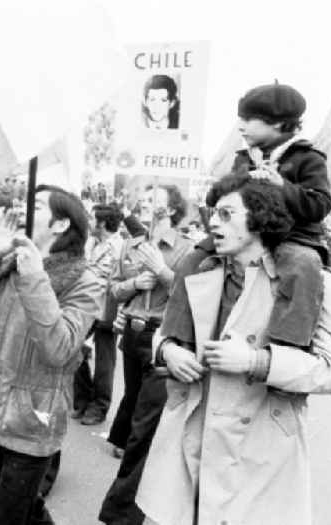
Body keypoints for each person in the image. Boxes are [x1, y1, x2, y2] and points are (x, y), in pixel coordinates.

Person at [137, 173, 331, 525]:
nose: (213, 221)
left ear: (259, 218)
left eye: (226, 214)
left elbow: (329, 369)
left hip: (262, 447)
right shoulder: (200, 269)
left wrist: (257, 361)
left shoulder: (314, 280)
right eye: (213, 212)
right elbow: (163, 332)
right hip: (193, 434)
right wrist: (169, 351)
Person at [0, 185, 103, 525]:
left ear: (61, 225)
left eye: (34, 207)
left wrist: (35, 275)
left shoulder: (85, 280)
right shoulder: (8, 265)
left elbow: (60, 348)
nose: (21, 212)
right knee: (26, 511)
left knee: (6, 517)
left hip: (33, 421)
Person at [99, 185, 193, 524]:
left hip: (162, 339)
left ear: (171, 208)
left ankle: (123, 509)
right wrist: (134, 285)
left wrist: (164, 271)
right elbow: (113, 288)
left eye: (155, 197)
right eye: (146, 196)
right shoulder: (129, 244)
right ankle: (133, 498)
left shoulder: (187, 249)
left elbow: (190, 297)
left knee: (144, 425)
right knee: (134, 408)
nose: (147, 201)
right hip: (132, 333)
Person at [225, 83, 331, 350]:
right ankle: (178, 340)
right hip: (246, 235)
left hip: (292, 238)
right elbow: (223, 196)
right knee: (196, 258)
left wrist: (281, 186)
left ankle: (287, 349)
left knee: (303, 264)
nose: (241, 125)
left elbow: (320, 204)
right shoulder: (242, 159)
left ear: (278, 124)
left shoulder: (308, 159)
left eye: (249, 119)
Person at [72, 204, 124, 426]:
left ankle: (99, 406)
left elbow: (100, 276)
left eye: (92, 219)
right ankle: (83, 400)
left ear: (102, 223)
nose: (89, 223)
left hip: (106, 309)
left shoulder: (119, 246)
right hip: (85, 305)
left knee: (105, 360)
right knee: (73, 350)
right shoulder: (91, 241)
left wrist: (81, 272)